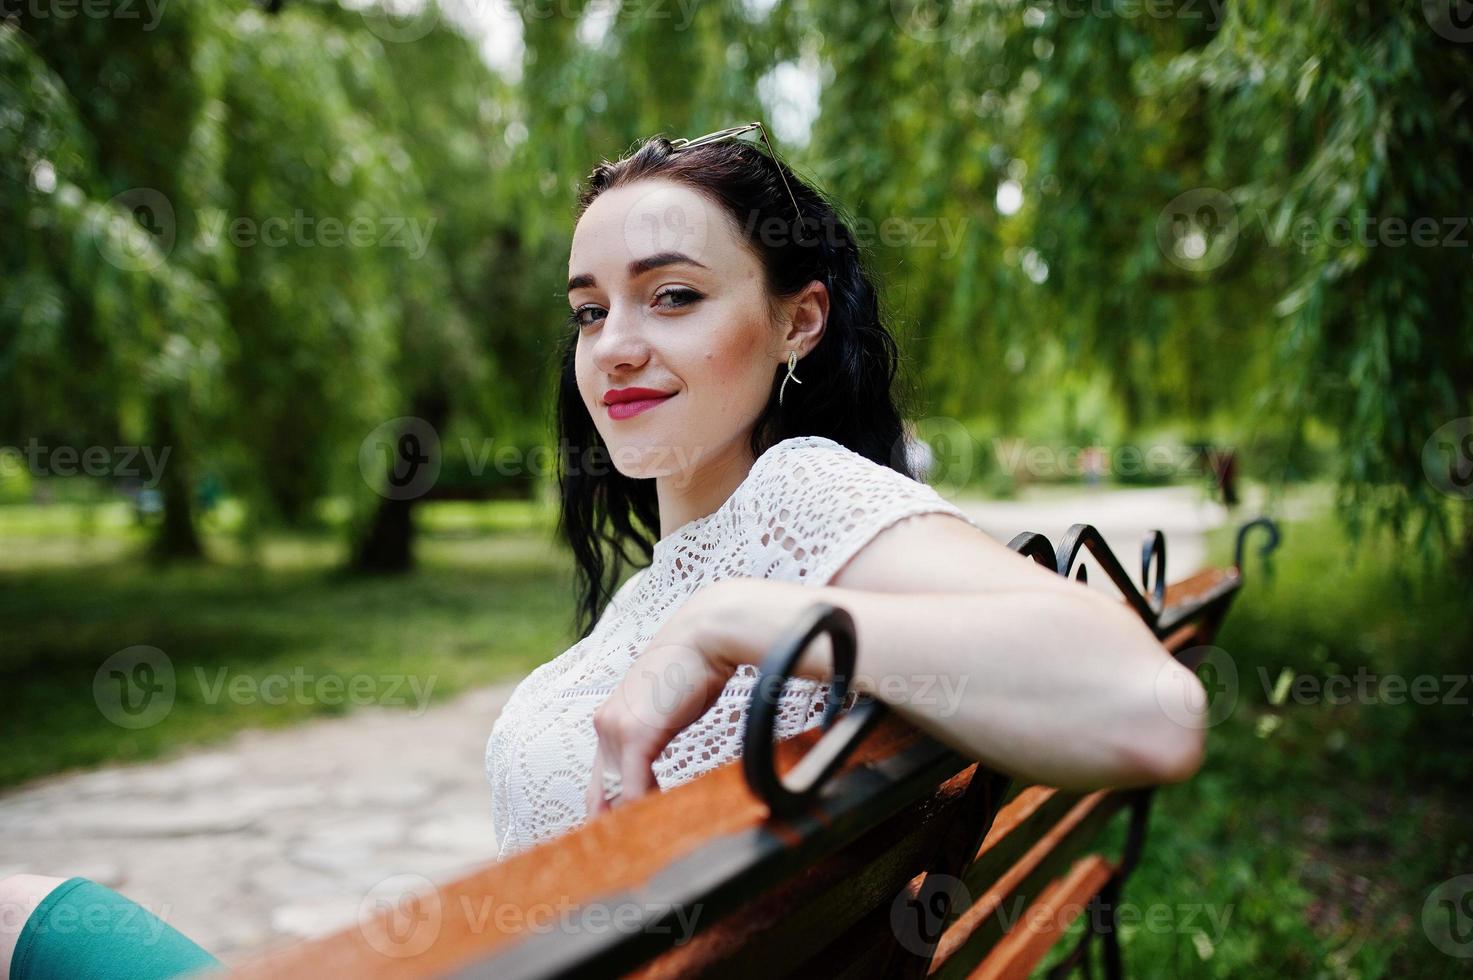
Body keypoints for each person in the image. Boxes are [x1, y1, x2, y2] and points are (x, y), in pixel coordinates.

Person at [0, 123, 1208, 974]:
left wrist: (729, 618)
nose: (613, 347)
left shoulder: (798, 499)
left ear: (798, 320)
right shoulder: (670, 571)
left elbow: (1148, 705)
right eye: (589, 309)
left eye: (672, 295)